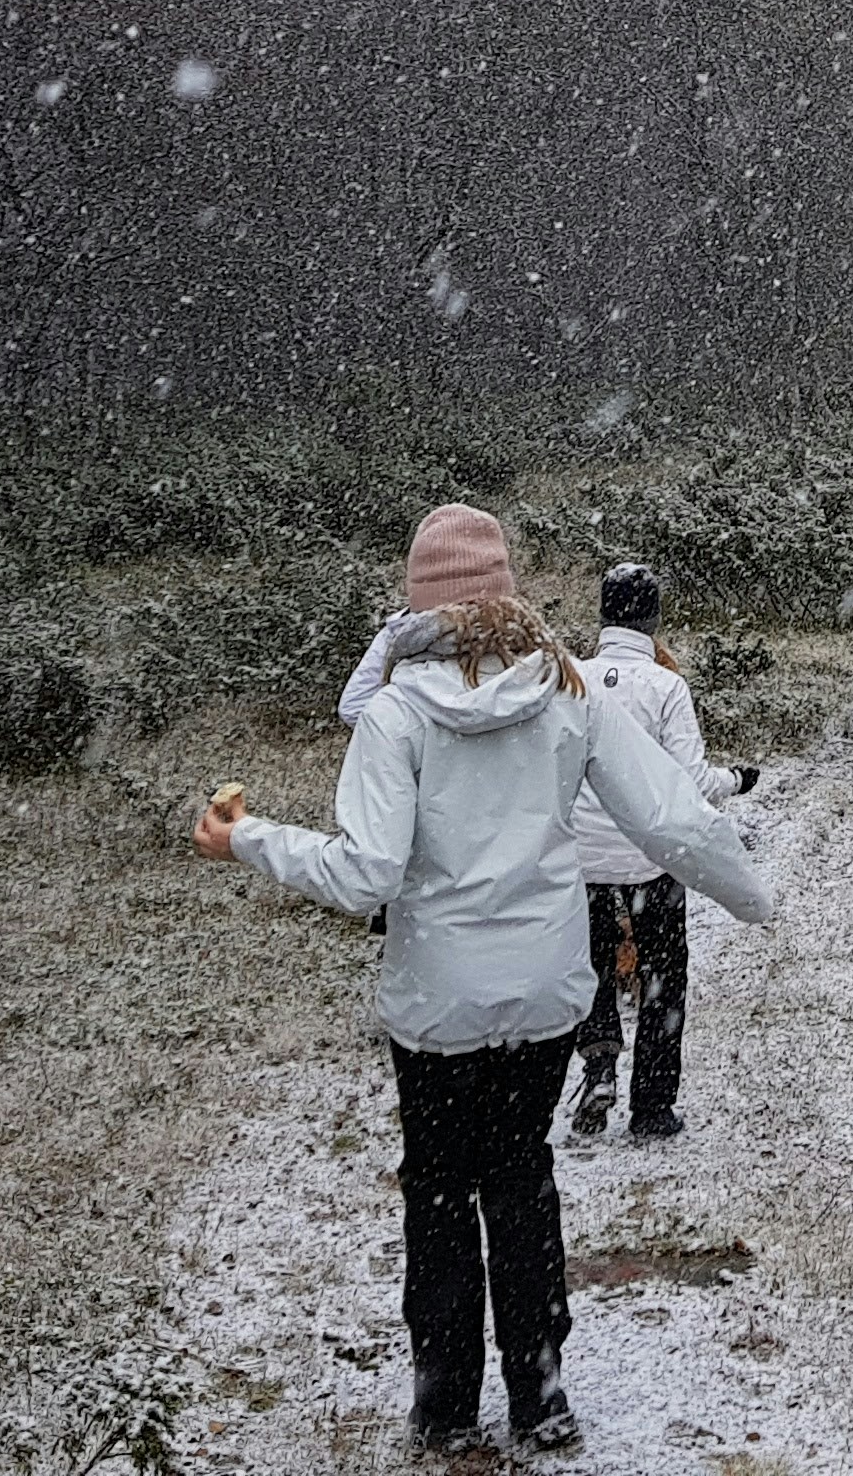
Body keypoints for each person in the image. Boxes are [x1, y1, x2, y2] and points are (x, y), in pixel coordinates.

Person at [195, 503, 773, 1459]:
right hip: (545, 994)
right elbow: (671, 817)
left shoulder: (395, 713)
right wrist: (754, 899)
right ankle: (541, 1394)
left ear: (416, 605)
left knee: (438, 1193)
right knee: (521, 1176)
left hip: (437, 1003)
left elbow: (365, 876)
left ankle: (446, 1404)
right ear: (507, 591)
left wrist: (247, 837)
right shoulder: (567, 690)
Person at [559, 559, 754, 1140]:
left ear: (603, 613)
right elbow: (689, 779)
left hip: (581, 857)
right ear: (654, 619)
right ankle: (652, 1106)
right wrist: (735, 780)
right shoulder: (667, 686)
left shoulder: (572, 678)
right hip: (650, 854)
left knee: (589, 967)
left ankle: (599, 1063)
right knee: (664, 973)